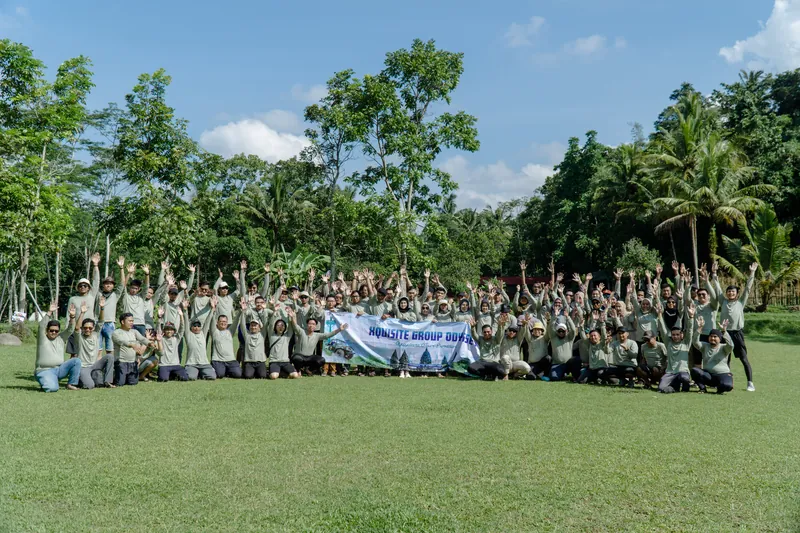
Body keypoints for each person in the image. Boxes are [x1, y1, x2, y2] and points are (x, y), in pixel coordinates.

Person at [714, 262, 757, 391]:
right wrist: (714, 273)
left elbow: (748, 288)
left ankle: (750, 383)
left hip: (737, 333)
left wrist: (752, 273)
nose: (730, 293)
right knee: (725, 359)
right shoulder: (723, 301)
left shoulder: (740, 302)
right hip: (724, 333)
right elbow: (717, 289)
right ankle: (725, 382)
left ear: (737, 294)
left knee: (743, 359)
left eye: (733, 292)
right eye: (729, 291)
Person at [34, 302, 81, 392]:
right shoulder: (42, 339)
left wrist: (72, 317)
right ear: (47, 330)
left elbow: (70, 329)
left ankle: (71, 384)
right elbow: (41, 326)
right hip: (44, 370)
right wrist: (49, 312)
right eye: (51, 330)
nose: (54, 332)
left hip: (59, 369)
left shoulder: (61, 338)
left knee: (76, 361)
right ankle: (47, 381)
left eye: (56, 331)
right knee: (52, 388)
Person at [65, 252, 101, 357]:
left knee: (88, 352)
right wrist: (68, 329)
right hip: (75, 329)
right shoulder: (73, 299)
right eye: (80, 285)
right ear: (78, 287)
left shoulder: (92, 296)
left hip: (88, 328)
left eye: (85, 285)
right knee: (74, 353)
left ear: (89, 288)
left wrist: (95, 265)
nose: (83, 287)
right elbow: (68, 315)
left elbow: (96, 281)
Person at [74, 299, 115, 389]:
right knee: (90, 386)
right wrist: (82, 313)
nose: (88, 330)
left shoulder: (96, 334)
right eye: (85, 328)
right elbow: (77, 328)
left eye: (90, 328)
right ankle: (80, 378)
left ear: (93, 328)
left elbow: (101, 321)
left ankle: (108, 381)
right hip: (84, 367)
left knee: (110, 356)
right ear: (82, 328)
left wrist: (102, 308)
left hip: (95, 364)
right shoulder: (80, 337)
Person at [656, 302, 694, 394]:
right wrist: (660, 315)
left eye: (677, 334)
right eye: (673, 335)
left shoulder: (686, 343)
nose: (675, 336)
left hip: (683, 371)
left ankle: (685, 388)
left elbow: (690, 331)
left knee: (684, 378)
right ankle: (674, 388)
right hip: (670, 372)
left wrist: (691, 317)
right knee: (661, 388)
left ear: (681, 335)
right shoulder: (668, 342)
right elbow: (663, 330)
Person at [691, 317, 735, 394]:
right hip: (708, 376)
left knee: (728, 386)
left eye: (715, 336)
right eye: (711, 336)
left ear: (720, 339)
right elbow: (695, 342)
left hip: (722, 374)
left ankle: (720, 389)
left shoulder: (724, 347)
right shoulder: (705, 346)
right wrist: (699, 328)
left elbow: (731, 345)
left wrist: (724, 331)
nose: (713, 338)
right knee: (695, 370)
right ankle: (702, 388)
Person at [112, 311, 153, 386]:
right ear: (122, 322)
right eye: (129, 321)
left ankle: (125, 377)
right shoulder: (116, 333)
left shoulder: (134, 331)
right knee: (120, 383)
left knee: (133, 383)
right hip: (121, 362)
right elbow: (121, 341)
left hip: (133, 362)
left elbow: (142, 339)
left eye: (132, 321)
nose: (132, 323)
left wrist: (149, 343)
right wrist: (131, 344)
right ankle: (114, 374)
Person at [181, 300, 216, 380]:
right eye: (194, 326)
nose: (196, 328)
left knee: (212, 377)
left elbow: (208, 321)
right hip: (192, 363)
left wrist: (212, 309)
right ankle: (195, 372)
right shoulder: (188, 334)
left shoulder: (203, 333)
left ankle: (201, 373)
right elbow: (186, 322)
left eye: (198, 326)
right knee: (191, 377)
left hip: (204, 363)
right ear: (191, 327)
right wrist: (185, 310)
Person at [209, 296, 242, 379]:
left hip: (230, 360)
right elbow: (212, 320)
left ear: (227, 323)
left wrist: (240, 310)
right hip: (218, 360)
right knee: (220, 374)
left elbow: (236, 321)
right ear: (217, 323)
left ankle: (227, 370)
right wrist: (213, 309)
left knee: (238, 374)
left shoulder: (230, 331)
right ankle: (218, 368)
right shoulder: (214, 332)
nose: (223, 323)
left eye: (225, 321)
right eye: (221, 321)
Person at [118, 257, 148, 337]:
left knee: (141, 343)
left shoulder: (141, 297)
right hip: (128, 324)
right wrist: (128, 273)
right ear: (129, 287)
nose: (134, 290)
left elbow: (146, 287)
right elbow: (123, 284)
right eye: (132, 288)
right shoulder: (125, 296)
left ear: (139, 289)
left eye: (136, 288)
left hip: (141, 324)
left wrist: (147, 274)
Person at [239, 300, 269, 379]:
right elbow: (242, 324)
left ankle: (258, 371)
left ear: (259, 327)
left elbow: (265, 323)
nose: (253, 327)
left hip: (260, 361)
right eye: (252, 325)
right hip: (249, 362)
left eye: (255, 325)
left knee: (262, 376)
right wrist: (243, 311)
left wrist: (264, 310)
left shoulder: (262, 334)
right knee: (248, 376)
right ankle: (252, 371)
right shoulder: (247, 335)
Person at [156, 316, 188, 382]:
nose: (169, 331)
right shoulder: (161, 339)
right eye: (167, 329)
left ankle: (172, 374)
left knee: (185, 378)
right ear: (164, 331)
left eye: (171, 330)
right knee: (163, 379)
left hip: (176, 365)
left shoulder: (176, 339)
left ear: (174, 331)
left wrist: (181, 316)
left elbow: (182, 329)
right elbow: (158, 328)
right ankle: (164, 374)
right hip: (164, 365)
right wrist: (159, 318)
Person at [267, 312, 299, 379]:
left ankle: (281, 372)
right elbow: (271, 325)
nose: (280, 327)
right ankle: (273, 372)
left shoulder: (287, 336)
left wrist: (290, 317)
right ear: (275, 327)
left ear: (285, 327)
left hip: (285, 362)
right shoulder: (271, 335)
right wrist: (274, 314)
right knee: (273, 376)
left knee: (295, 375)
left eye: (282, 325)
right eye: (278, 325)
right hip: (274, 362)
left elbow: (291, 327)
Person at [547, 314, 577, 381]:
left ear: (566, 331)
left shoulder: (569, 338)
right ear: (556, 331)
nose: (561, 333)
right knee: (554, 378)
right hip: (556, 364)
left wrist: (568, 318)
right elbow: (550, 327)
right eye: (559, 331)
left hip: (568, 364)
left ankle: (575, 376)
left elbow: (573, 330)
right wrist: (554, 317)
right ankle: (563, 374)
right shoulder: (553, 338)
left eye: (563, 331)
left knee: (576, 360)